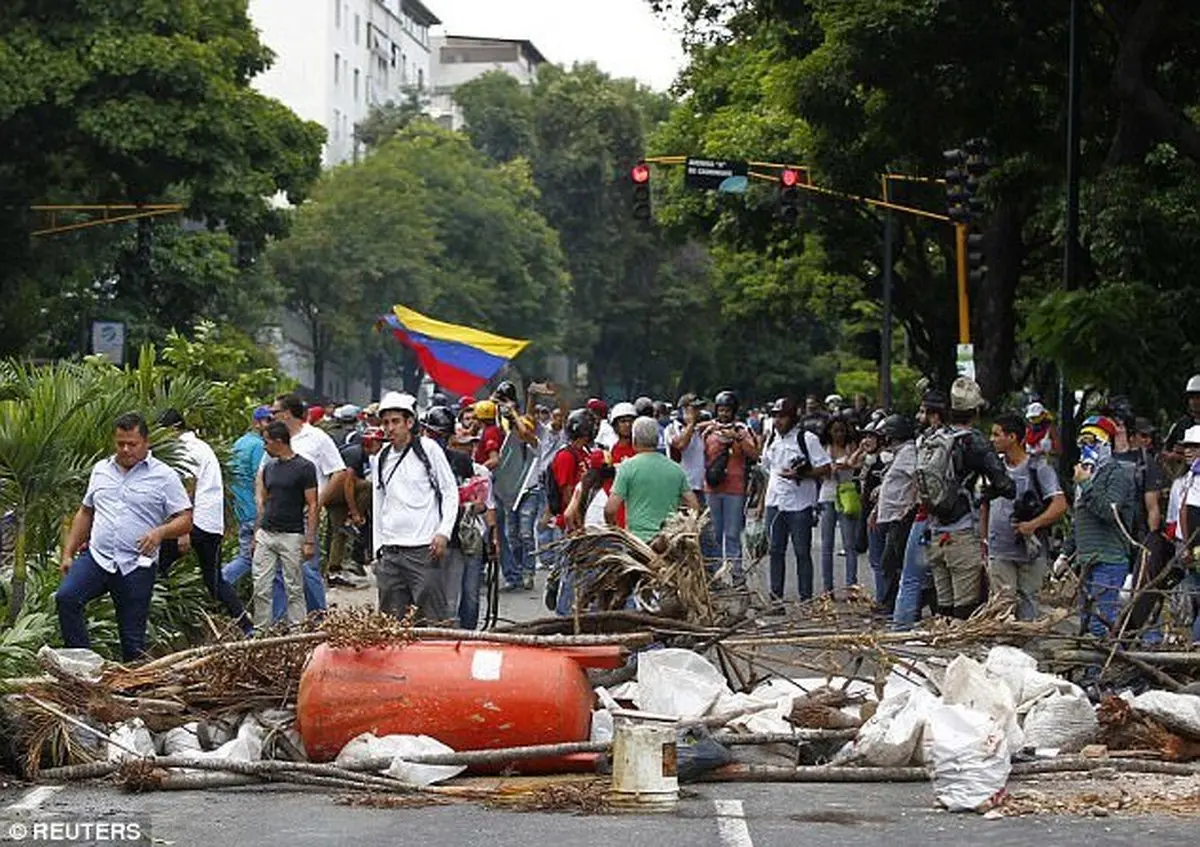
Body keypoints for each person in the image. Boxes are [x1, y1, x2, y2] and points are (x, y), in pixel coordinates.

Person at [56, 413, 193, 660]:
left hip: (135, 565)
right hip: (98, 558)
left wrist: (160, 532)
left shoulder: (164, 476)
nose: (126, 449)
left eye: (132, 444)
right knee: (67, 598)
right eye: (121, 443)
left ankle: (131, 682)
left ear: (146, 442)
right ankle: (84, 665)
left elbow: (185, 519)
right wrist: (68, 553)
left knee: (132, 641)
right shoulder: (101, 470)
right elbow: (86, 512)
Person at [918, 377, 1014, 619]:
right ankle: (955, 642)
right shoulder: (975, 442)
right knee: (965, 610)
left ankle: (941, 641)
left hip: (935, 532)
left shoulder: (936, 436)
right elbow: (1006, 486)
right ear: (976, 411)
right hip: (962, 534)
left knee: (943, 609)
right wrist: (987, 494)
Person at [156, 409, 251, 634]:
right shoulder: (200, 446)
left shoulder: (186, 448)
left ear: (173, 429)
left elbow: (189, 487)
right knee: (213, 579)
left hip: (195, 522)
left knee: (156, 566)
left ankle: (167, 622)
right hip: (210, 522)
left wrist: (182, 530)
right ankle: (245, 625)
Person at [371, 391, 460, 622]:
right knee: (391, 622)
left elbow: (450, 492)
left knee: (432, 618)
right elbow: (378, 503)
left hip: (424, 549)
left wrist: (443, 532)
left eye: (396, 422)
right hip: (390, 551)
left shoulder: (429, 450)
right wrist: (377, 549)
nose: (390, 428)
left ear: (409, 423)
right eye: (386, 423)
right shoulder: (381, 458)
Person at [1054, 415, 1136, 640]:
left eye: (1091, 442)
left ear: (1106, 444)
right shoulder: (1086, 476)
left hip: (1109, 559)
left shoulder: (1116, 474)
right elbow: (1079, 520)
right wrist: (1065, 554)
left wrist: (1086, 483)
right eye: (1082, 442)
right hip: (1086, 560)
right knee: (1087, 621)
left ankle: (1115, 660)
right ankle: (1099, 663)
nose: (1085, 448)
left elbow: (1109, 512)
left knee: (1101, 623)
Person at [983, 413, 1068, 621]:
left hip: (1031, 552)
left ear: (1012, 437)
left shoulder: (1038, 467)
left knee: (1028, 606)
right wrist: (983, 540)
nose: (992, 439)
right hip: (999, 550)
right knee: (1002, 609)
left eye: (997, 434)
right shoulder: (993, 468)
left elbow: (1059, 505)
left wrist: (1032, 524)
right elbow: (984, 504)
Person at [270, 393, 348, 613]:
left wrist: (319, 502)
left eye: (275, 412)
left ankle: (318, 617)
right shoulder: (276, 440)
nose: (272, 416)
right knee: (279, 570)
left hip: (305, 515)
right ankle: (279, 622)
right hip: (279, 513)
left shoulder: (316, 438)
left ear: (287, 414)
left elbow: (339, 472)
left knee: (306, 568)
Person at [761, 397, 832, 604]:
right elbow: (767, 471)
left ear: (792, 418)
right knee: (775, 551)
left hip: (800, 504)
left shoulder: (806, 439)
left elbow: (826, 467)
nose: (778, 421)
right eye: (775, 416)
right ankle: (776, 598)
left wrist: (802, 474)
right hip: (774, 502)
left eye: (782, 416)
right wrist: (760, 504)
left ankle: (806, 598)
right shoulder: (771, 438)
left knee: (802, 552)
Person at [252, 422, 318, 628]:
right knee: (261, 586)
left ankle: (297, 630)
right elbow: (264, 502)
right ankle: (261, 631)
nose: (264, 446)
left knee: (294, 587)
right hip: (267, 532)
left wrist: (309, 540)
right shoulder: (269, 468)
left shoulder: (305, 467)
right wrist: (256, 532)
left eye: (267, 442)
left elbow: (313, 504)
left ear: (279, 441)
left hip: (291, 534)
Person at [892, 390, 946, 629]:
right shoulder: (948, 440)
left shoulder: (931, 442)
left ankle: (901, 626)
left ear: (935, 416)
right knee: (936, 579)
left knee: (912, 577)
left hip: (927, 518)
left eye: (923, 412)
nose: (918, 416)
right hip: (945, 520)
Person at [606, 418, 700, 541]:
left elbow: (610, 509)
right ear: (657, 440)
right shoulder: (676, 468)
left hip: (638, 542)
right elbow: (694, 506)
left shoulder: (627, 468)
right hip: (667, 541)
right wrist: (682, 529)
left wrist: (615, 530)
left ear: (635, 440)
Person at [703, 390, 758, 582]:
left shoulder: (742, 430)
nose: (724, 414)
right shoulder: (709, 431)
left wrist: (737, 437)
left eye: (727, 410)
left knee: (733, 533)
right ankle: (715, 574)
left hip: (735, 488)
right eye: (721, 410)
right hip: (712, 488)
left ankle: (736, 573)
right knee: (715, 533)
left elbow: (754, 454)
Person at [220, 406, 272, 593]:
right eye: (267, 420)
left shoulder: (240, 442)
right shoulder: (259, 446)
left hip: (241, 507)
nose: (271, 424)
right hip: (254, 510)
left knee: (248, 557)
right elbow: (262, 478)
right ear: (256, 423)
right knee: (250, 559)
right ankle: (219, 584)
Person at [871, 414, 919, 616]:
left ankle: (892, 605)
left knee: (892, 562)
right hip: (893, 516)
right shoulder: (898, 454)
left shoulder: (908, 454)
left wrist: (911, 506)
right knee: (891, 562)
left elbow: (917, 478)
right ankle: (889, 603)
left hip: (901, 516)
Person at [326, 425, 385, 578]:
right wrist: (355, 512)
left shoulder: (362, 455)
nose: (381, 445)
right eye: (378, 442)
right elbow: (348, 483)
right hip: (334, 493)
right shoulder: (355, 454)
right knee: (367, 486)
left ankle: (334, 568)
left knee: (340, 533)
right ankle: (334, 569)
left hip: (337, 495)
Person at [818, 416, 860, 593]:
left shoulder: (852, 447)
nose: (839, 434)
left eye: (842, 430)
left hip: (846, 497)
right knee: (826, 545)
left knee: (849, 544)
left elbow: (857, 464)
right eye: (835, 431)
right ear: (829, 431)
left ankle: (851, 586)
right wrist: (829, 469)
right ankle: (828, 588)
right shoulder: (824, 448)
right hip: (827, 496)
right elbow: (820, 471)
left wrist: (842, 467)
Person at [1164, 375, 1200, 456]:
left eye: (1198, 397)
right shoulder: (1181, 425)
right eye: (1191, 398)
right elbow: (1166, 450)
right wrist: (1175, 455)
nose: (1194, 402)